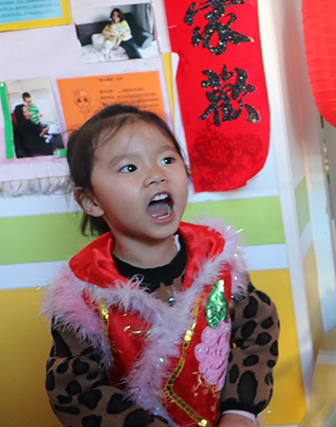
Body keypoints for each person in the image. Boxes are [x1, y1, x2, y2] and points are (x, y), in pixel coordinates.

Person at [42, 104, 279, 427]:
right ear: (92, 201)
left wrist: (240, 411)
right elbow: (76, 392)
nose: (157, 175)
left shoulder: (217, 262)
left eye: (167, 159)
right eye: (129, 168)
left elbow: (258, 332)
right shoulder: (84, 295)